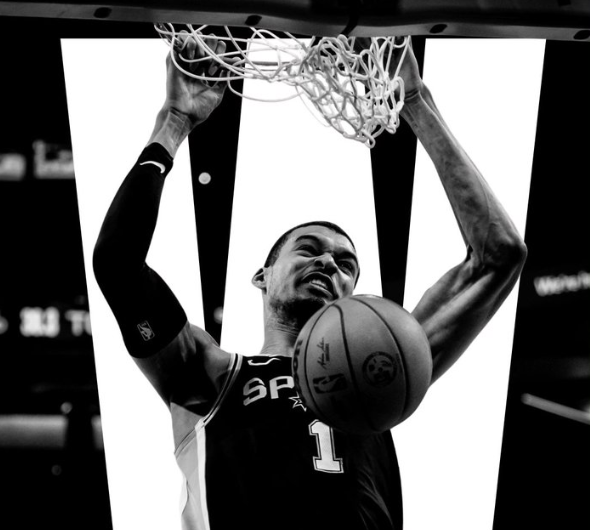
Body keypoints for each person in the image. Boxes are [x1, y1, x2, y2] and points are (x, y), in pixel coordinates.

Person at [93, 35, 527, 530]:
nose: (328, 263)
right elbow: (117, 262)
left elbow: (500, 255)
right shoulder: (209, 375)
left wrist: (414, 100)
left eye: (346, 264)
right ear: (262, 276)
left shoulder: (385, 366)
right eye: (308, 248)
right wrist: (173, 123)